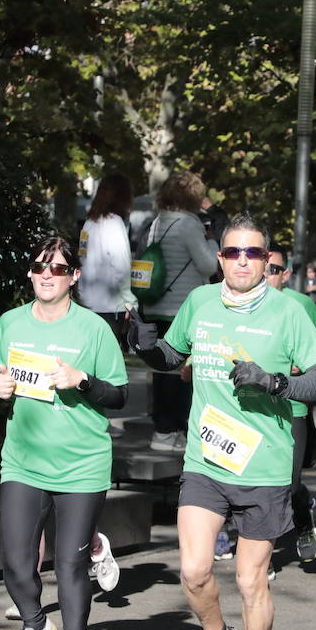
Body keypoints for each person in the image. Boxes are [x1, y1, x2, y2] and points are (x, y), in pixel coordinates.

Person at [130, 213, 316, 630]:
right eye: (231, 252)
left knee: (250, 582)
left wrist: (275, 383)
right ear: (219, 258)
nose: (242, 261)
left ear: (267, 260)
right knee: (195, 570)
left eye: (252, 253)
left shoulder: (289, 312)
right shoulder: (201, 303)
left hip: (264, 465)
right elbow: (170, 354)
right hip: (206, 459)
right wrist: (142, 345)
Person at [0, 234, 129, 630]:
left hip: (81, 464)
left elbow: (120, 394)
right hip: (23, 461)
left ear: (74, 276)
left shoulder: (93, 329)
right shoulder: (9, 322)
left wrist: (81, 380)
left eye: (58, 268)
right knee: (15, 559)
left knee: (70, 562)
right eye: (39, 267)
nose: (47, 275)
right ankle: (35, 627)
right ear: (30, 273)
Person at [141, 172, 219, 452]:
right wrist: (212, 241)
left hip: (155, 305)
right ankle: (174, 429)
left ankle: (162, 429)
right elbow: (208, 266)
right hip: (182, 309)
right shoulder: (190, 224)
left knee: (162, 371)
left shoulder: (156, 223)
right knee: (184, 373)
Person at [266, 243, 316, 563]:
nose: (267, 275)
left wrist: (301, 367)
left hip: (292, 407)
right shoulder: (239, 305)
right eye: (264, 267)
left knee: (289, 486)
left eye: (275, 270)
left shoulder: (300, 305)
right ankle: (252, 555)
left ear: (286, 275)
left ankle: (303, 512)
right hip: (254, 407)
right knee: (251, 483)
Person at [78, 173, 138, 348]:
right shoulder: (114, 222)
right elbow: (121, 266)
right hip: (111, 307)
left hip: (87, 304)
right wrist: (130, 303)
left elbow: (82, 260)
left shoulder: (89, 223)